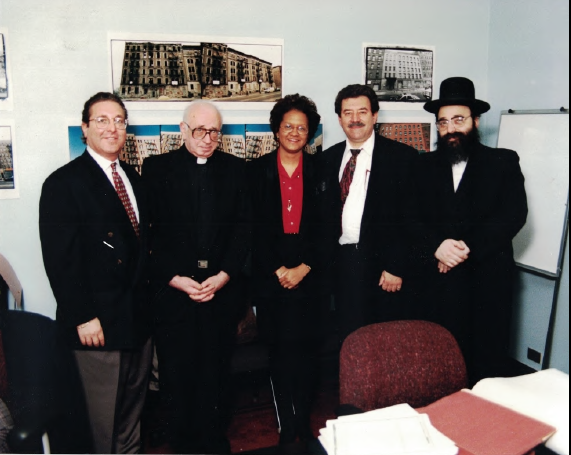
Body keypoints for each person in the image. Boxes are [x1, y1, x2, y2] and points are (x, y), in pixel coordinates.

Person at [39, 92, 153, 454]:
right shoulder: (64, 184)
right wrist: (83, 316)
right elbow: (60, 261)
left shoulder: (133, 177)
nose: (112, 127)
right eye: (102, 120)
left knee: (131, 418)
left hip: (137, 322)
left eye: (119, 120)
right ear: (85, 128)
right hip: (97, 326)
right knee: (101, 426)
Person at [141, 101, 249, 454]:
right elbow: (149, 236)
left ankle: (214, 439)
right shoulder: (156, 169)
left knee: (217, 370)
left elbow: (243, 232)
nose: (207, 139)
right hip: (175, 292)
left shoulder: (237, 169)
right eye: (200, 131)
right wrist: (173, 277)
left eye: (214, 131)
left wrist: (224, 275)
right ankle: (182, 443)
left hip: (221, 290)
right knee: (177, 372)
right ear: (183, 129)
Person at [416, 76, 528, 385]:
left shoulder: (502, 162)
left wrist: (464, 249)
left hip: (488, 284)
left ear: (476, 121)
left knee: (487, 368)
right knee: (442, 367)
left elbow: (513, 215)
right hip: (439, 285)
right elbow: (410, 218)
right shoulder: (422, 166)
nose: (450, 128)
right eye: (443, 122)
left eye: (458, 119)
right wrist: (437, 247)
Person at [250, 94, 323, 448]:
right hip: (271, 276)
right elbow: (252, 231)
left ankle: (304, 422)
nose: (295, 132)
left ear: (309, 133)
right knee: (279, 351)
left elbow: (329, 229)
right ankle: (286, 426)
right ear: (277, 130)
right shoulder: (256, 171)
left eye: (302, 127)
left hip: (310, 275)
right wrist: (279, 269)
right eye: (288, 126)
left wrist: (304, 268)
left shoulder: (321, 171)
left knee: (308, 351)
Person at [320, 84, 418, 345]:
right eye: (347, 112)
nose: (355, 119)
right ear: (339, 119)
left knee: (384, 341)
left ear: (375, 115)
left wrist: (396, 266)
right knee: (348, 338)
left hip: (382, 268)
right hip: (340, 265)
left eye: (362, 111)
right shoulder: (326, 160)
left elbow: (411, 218)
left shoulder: (402, 158)